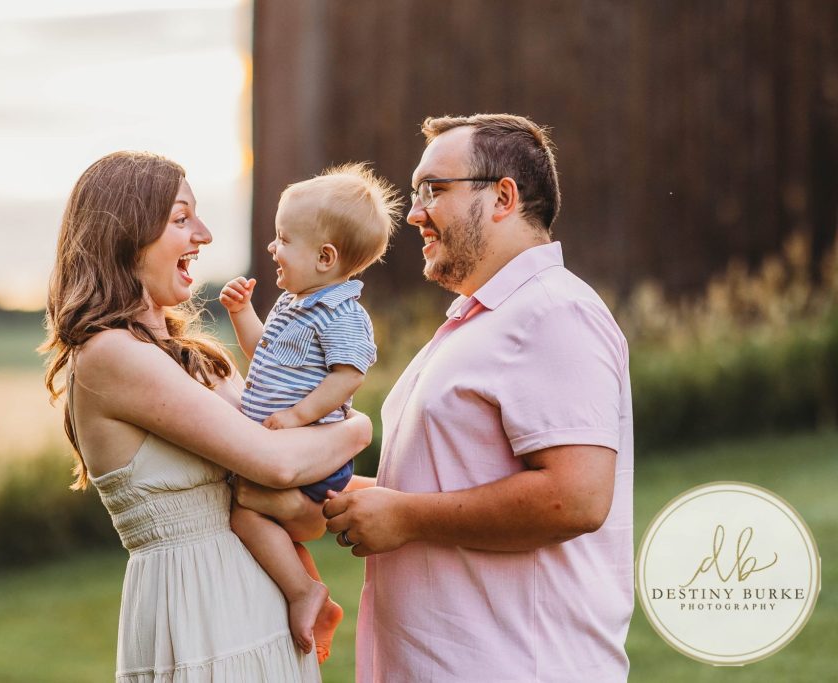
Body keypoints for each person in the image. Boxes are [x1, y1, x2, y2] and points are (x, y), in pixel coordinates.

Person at [323, 114, 635, 682]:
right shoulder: (480, 323)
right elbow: (451, 480)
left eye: (433, 190)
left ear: (503, 197)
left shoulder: (553, 311)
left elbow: (578, 496)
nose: (414, 212)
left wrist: (406, 515)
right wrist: (340, 494)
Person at [40, 150, 372, 682]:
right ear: (127, 234)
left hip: (259, 618)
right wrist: (358, 429)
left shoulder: (193, 357)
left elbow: (302, 498)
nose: (204, 233)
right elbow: (277, 464)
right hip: (198, 620)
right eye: (180, 218)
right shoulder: (110, 355)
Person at [218, 163, 399, 661]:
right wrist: (242, 315)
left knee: (245, 515)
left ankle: (305, 593)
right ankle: (316, 591)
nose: (273, 248)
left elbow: (350, 375)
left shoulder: (341, 312)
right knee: (275, 520)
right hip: (289, 446)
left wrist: (299, 416)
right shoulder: (292, 304)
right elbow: (263, 356)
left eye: (283, 239)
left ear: (325, 257)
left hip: (309, 448)